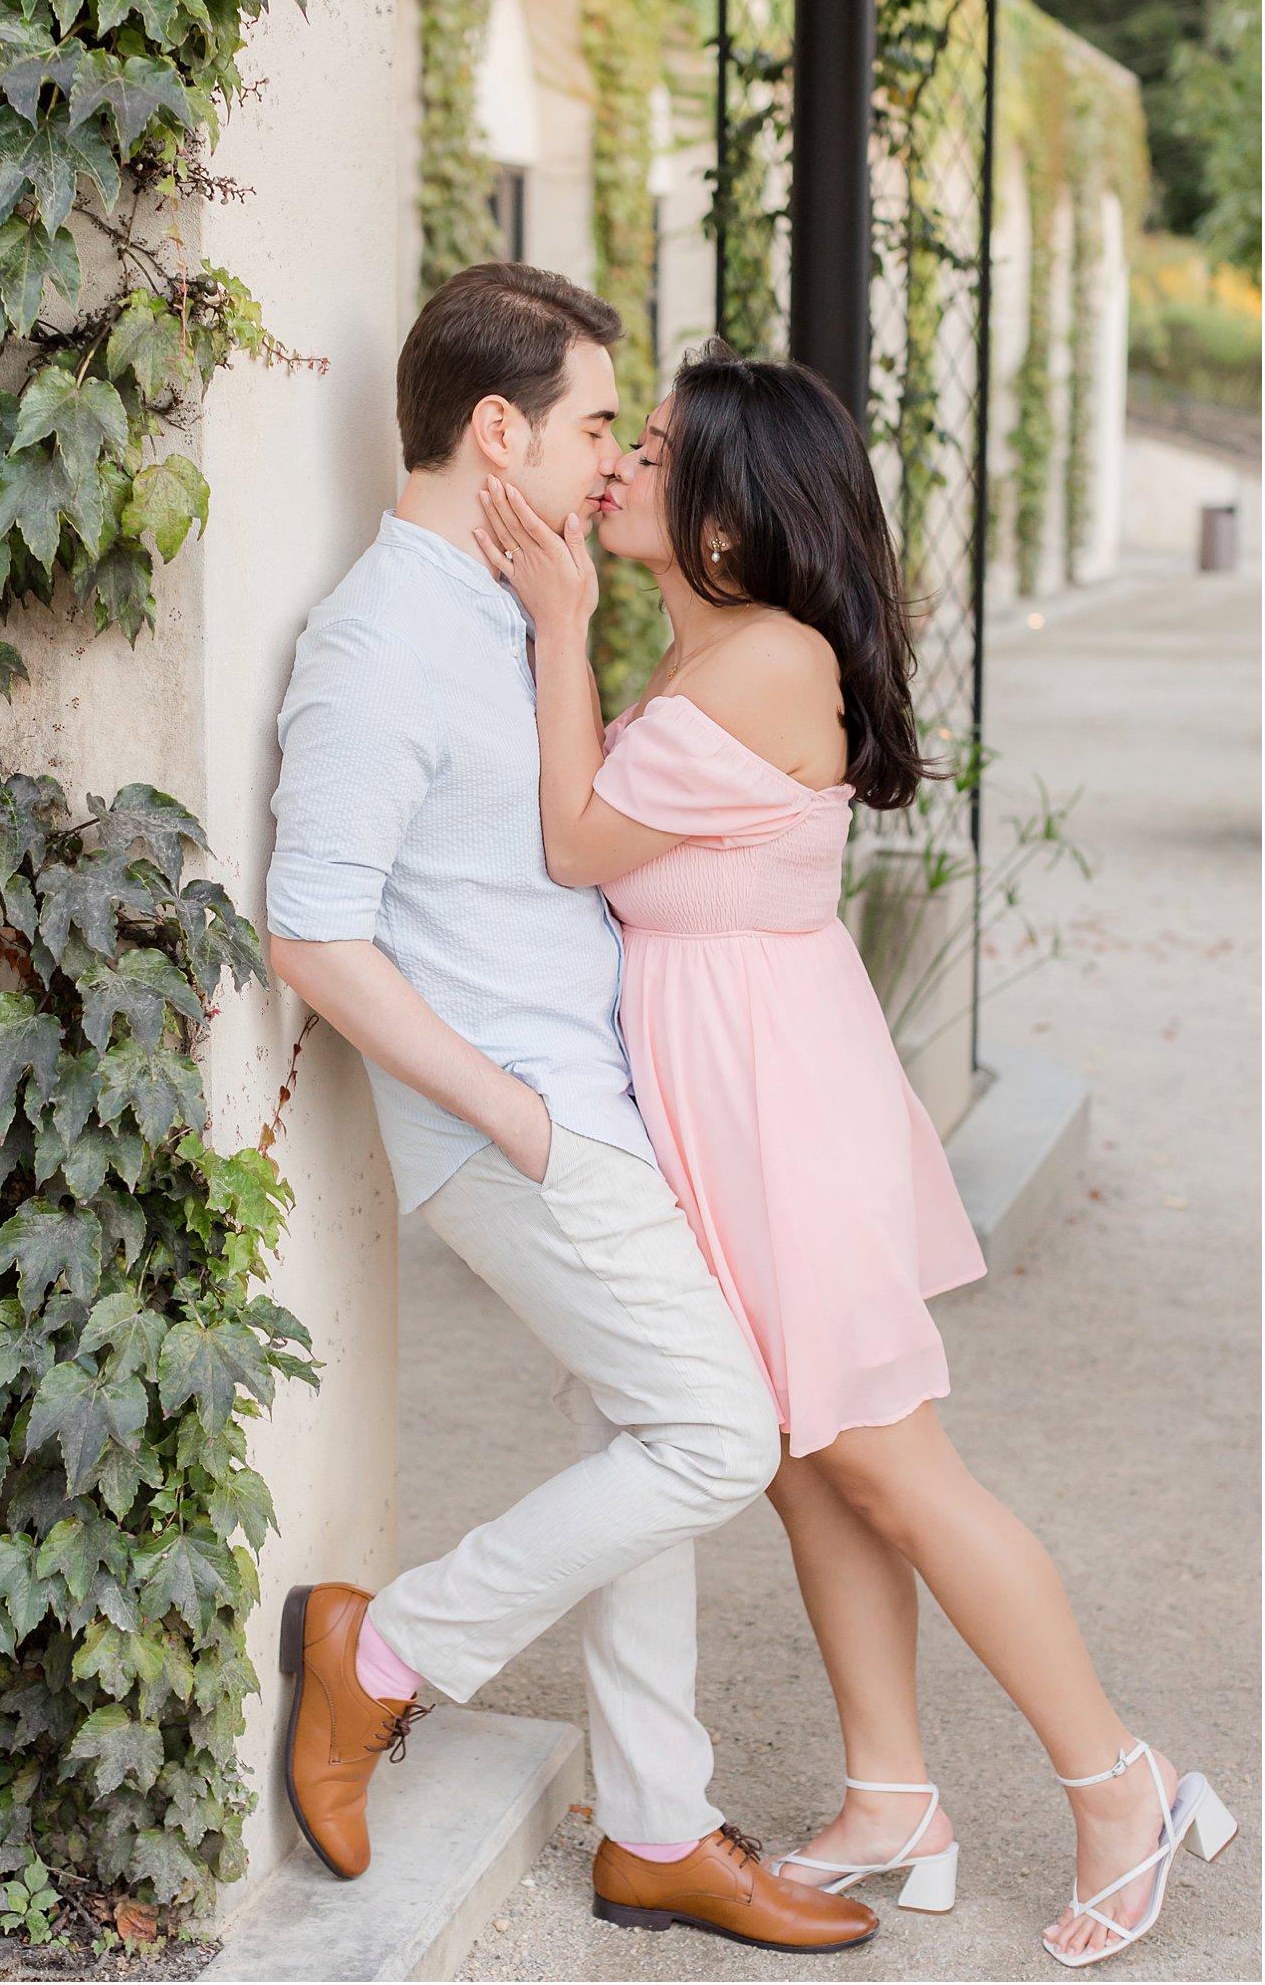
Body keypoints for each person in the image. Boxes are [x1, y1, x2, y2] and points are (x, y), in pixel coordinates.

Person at [473, 338, 1236, 1971]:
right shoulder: (709, 654)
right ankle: (893, 1793)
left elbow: (572, 841)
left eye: (661, 446)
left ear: (732, 521)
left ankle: (1125, 1786)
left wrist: (555, 624)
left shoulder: (762, 660)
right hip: (741, 1097)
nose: (622, 462)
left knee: (895, 1465)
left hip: (783, 1114)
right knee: (812, 1464)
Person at [261, 265, 877, 1954]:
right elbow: (312, 924)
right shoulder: (380, 639)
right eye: (600, 425)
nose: (619, 462)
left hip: (599, 1101)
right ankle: (381, 1654)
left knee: (646, 1436)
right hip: (526, 1121)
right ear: (496, 429)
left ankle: (659, 1828)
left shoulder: (506, 605)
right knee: (715, 1432)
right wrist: (513, 1112)